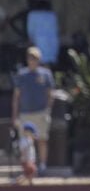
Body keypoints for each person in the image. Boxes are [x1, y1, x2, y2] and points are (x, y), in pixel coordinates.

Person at [12, 46, 54, 175]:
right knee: (25, 142)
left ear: (39, 59)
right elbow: (16, 96)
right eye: (31, 58)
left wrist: (48, 110)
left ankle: (42, 166)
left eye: (35, 58)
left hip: (41, 112)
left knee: (42, 140)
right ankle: (27, 167)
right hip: (25, 113)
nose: (33, 60)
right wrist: (15, 116)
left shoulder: (46, 74)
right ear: (27, 59)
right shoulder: (22, 75)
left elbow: (50, 94)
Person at [16, 121, 38, 185]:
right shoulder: (23, 140)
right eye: (31, 132)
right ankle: (22, 180)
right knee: (32, 170)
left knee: (29, 173)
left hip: (30, 159)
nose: (32, 134)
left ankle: (28, 182)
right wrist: (25, 159)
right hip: (26, 160)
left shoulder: (29, 139)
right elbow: (23, 150)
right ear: (26, 132)